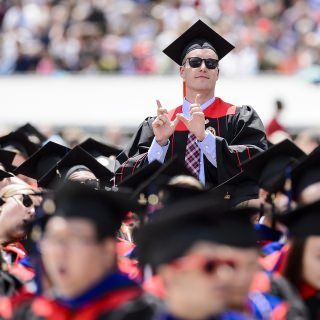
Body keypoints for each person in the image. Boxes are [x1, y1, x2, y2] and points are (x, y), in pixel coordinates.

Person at [116, 19, 267, 194]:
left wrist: (205, 139)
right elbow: (122, 175)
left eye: (211, 63)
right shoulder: (159, 124)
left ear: (217, 73)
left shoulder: (239, 117)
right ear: (182, 71)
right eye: (195, 62)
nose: (203, 67)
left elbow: (258, 163)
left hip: (223, 215)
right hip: (170, 217)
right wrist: (159, 144)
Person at [13, 181, 156, 320]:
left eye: (74, 239)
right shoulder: (34, 313)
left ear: (107, 249)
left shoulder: (141, 312)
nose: (59, 251)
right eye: (53, 239)